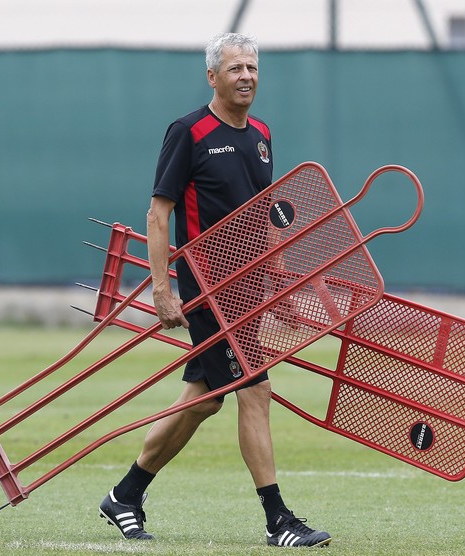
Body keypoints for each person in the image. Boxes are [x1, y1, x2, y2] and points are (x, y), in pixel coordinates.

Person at [98, 32, 331, 548]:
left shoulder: (263, 133)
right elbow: (159, 215)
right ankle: (278, 521)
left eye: (252, 68)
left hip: (250, 288)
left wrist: (282, 283)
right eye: (235, 69)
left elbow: (267, 213)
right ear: (212, 77)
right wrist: (162, 291)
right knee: (255, 390)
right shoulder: (188, 132)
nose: (246, 76)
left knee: (204, 401)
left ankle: (125, 496)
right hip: (209, 286)